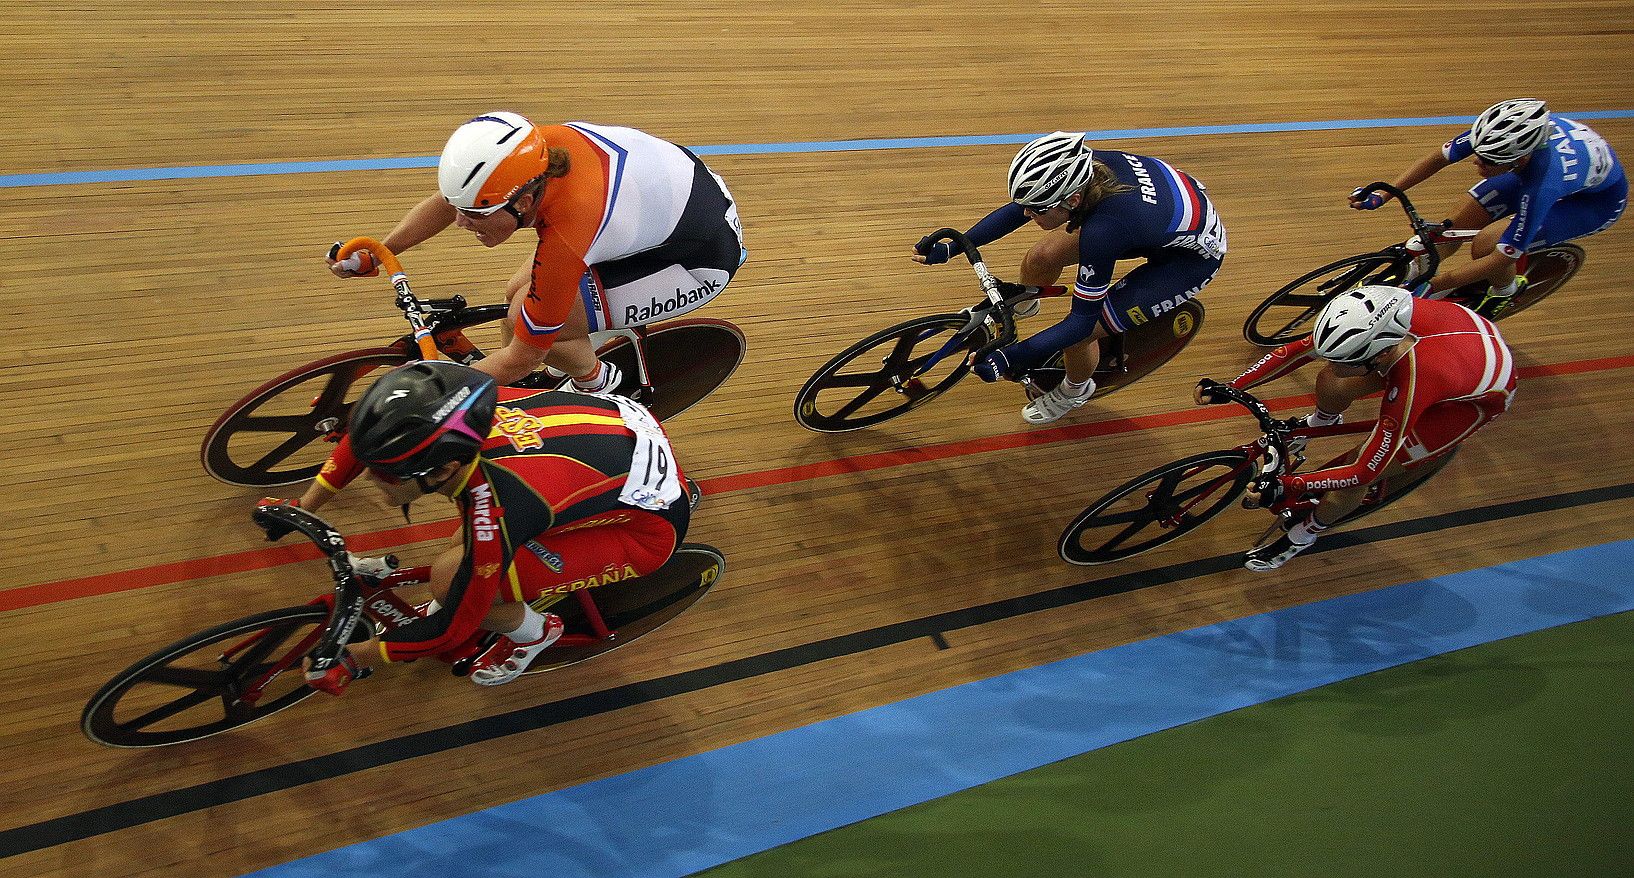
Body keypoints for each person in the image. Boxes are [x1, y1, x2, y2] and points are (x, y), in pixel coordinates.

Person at [279, 360, 693, 690]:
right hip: (619, 439)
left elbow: (451, 630)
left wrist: (354, 658)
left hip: (644, 534)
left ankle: (535, 633)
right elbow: (369, 436)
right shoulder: (460, 412)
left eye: (387, 474)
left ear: (444, 469)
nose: (371, 478)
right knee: (463, 555)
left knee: (449, 581)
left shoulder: (498, 506)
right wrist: (304, 505)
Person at [328, 111, 746, 388]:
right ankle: (552, 385)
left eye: (475, 214)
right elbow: (447, 203)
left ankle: (600, 386)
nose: (460, 222)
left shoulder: (569, 228)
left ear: (524, 203)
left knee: (531, 320)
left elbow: (521, 359)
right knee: (518, 296)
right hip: (656, 213)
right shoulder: (525, 158)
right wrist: (383, 249)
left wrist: (441, 400)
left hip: (696, 259)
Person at [914, 131, 1226, 424]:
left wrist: (1011, 357)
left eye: (1037, 209)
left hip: (1189, 261)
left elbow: (1080, 323)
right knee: (1041, 258)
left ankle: (1076, 389)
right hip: (1153, 219)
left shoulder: (1105, 231)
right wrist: (953, 247)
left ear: (1073, 201)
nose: (1027, 215)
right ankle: (1019, 309)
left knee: (1085, 333)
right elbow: (1018, 209)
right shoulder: (1082, 169)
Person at [1198, 285, 1515, 571]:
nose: (1332, 362)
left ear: (1380, 354)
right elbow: (1299, 350)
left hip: (1470, 404)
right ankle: (1321, 423)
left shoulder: (1415, 383)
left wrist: (1288, 484)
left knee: (1353, 474)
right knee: (1331, 379)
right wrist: (1231, 386)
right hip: (1452, 346)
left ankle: (1304, 535)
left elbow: (1363, 470)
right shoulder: (1376, 315)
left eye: (1345, 359)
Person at [1349, 98, 1624, 318]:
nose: (1476, 162)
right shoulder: (1498, 133)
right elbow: (1436, 159)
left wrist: (1433, 286)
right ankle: (1415, 268)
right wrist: (1385, 194)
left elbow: (1502, 257)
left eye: (1487, 160)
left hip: (1595, 203)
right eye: (1477, 153)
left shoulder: (1543, 184)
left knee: (1487, 245)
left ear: (1519, 158)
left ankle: (1505, 291)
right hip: (1546, 170)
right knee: (1455, 226)